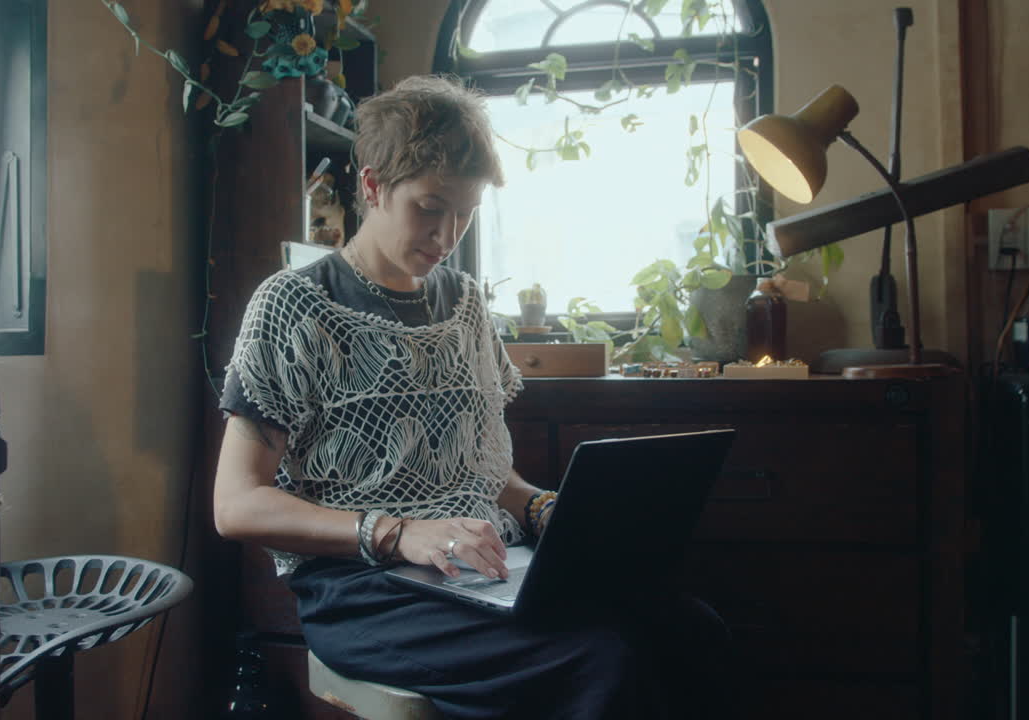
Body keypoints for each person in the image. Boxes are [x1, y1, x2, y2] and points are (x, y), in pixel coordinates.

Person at [213, 75, 732, 719]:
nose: (447, 234)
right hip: (364, 588)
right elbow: (236, 505)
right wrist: (399, 533)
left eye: (465, 212)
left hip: (484, 565)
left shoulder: (463, 303)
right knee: (599, 659)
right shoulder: (293, 305)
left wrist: (546, 509)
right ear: (373, 187)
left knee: (691, 630)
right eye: (430, 207)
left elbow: (484, 471)